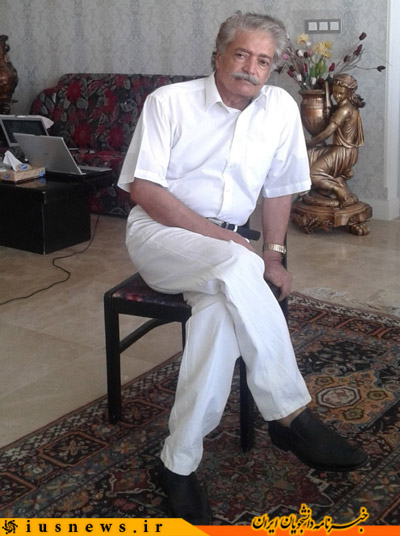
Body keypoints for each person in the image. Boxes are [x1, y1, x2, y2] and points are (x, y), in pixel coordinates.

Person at [118, 12, 367, 524]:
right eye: (241, 55)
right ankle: (290, 413)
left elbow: (280, 188)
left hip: (225, 253)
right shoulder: (169, 103)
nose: (251, 68)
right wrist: (234, 244)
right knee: (237, 262)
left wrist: (272, 255)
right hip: (160, 235)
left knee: (218, 315)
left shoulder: (279, 109)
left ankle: (177, 463)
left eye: (263, 61)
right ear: (218, 55)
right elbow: (142, 189)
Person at [306, 74, 365, 207]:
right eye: (335, 92)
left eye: (341, 93)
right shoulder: (347, 106)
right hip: (343, 150)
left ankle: (338, 190)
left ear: (349, 93)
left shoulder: (344, 110)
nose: (337, 96)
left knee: (313, 173)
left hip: (343, 152)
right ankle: (332, 185)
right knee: (312, 154)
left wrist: (309, 142)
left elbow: (327, 133)